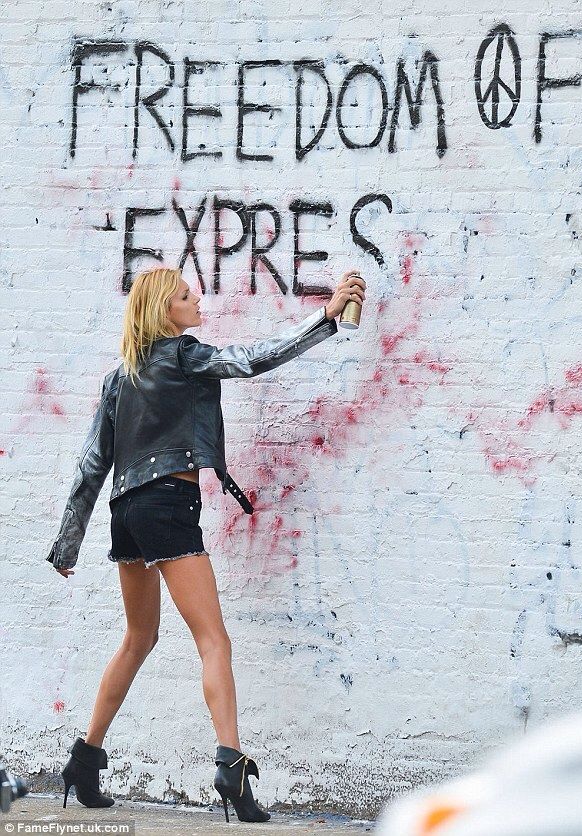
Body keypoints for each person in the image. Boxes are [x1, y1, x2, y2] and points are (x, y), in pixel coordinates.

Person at [46, 266, 366, 824]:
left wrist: (67, 545)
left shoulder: (118, 378)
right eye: (186, 296)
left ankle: (84, 759)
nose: (197, 302)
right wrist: (326, 316)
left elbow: (92, 465)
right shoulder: (185, 356)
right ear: (165, 311)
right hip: (170, 506)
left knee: (138, 638)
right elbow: (256, 358)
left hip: (128, 513)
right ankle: (231, 766)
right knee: (213, 638)